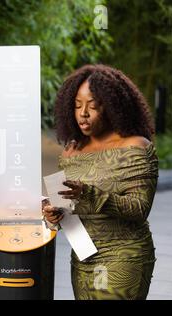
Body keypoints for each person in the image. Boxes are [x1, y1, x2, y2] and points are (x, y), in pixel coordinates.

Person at [43, 64, 158, 300]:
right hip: (83, 257)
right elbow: (69, 208)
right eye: (77, 105)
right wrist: (54, 215)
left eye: (92, 105)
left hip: (123, 257)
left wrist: (89, 194)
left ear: (113, 106)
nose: (83, 112)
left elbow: (139, 208)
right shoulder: (72, 151)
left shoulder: (135, 147)